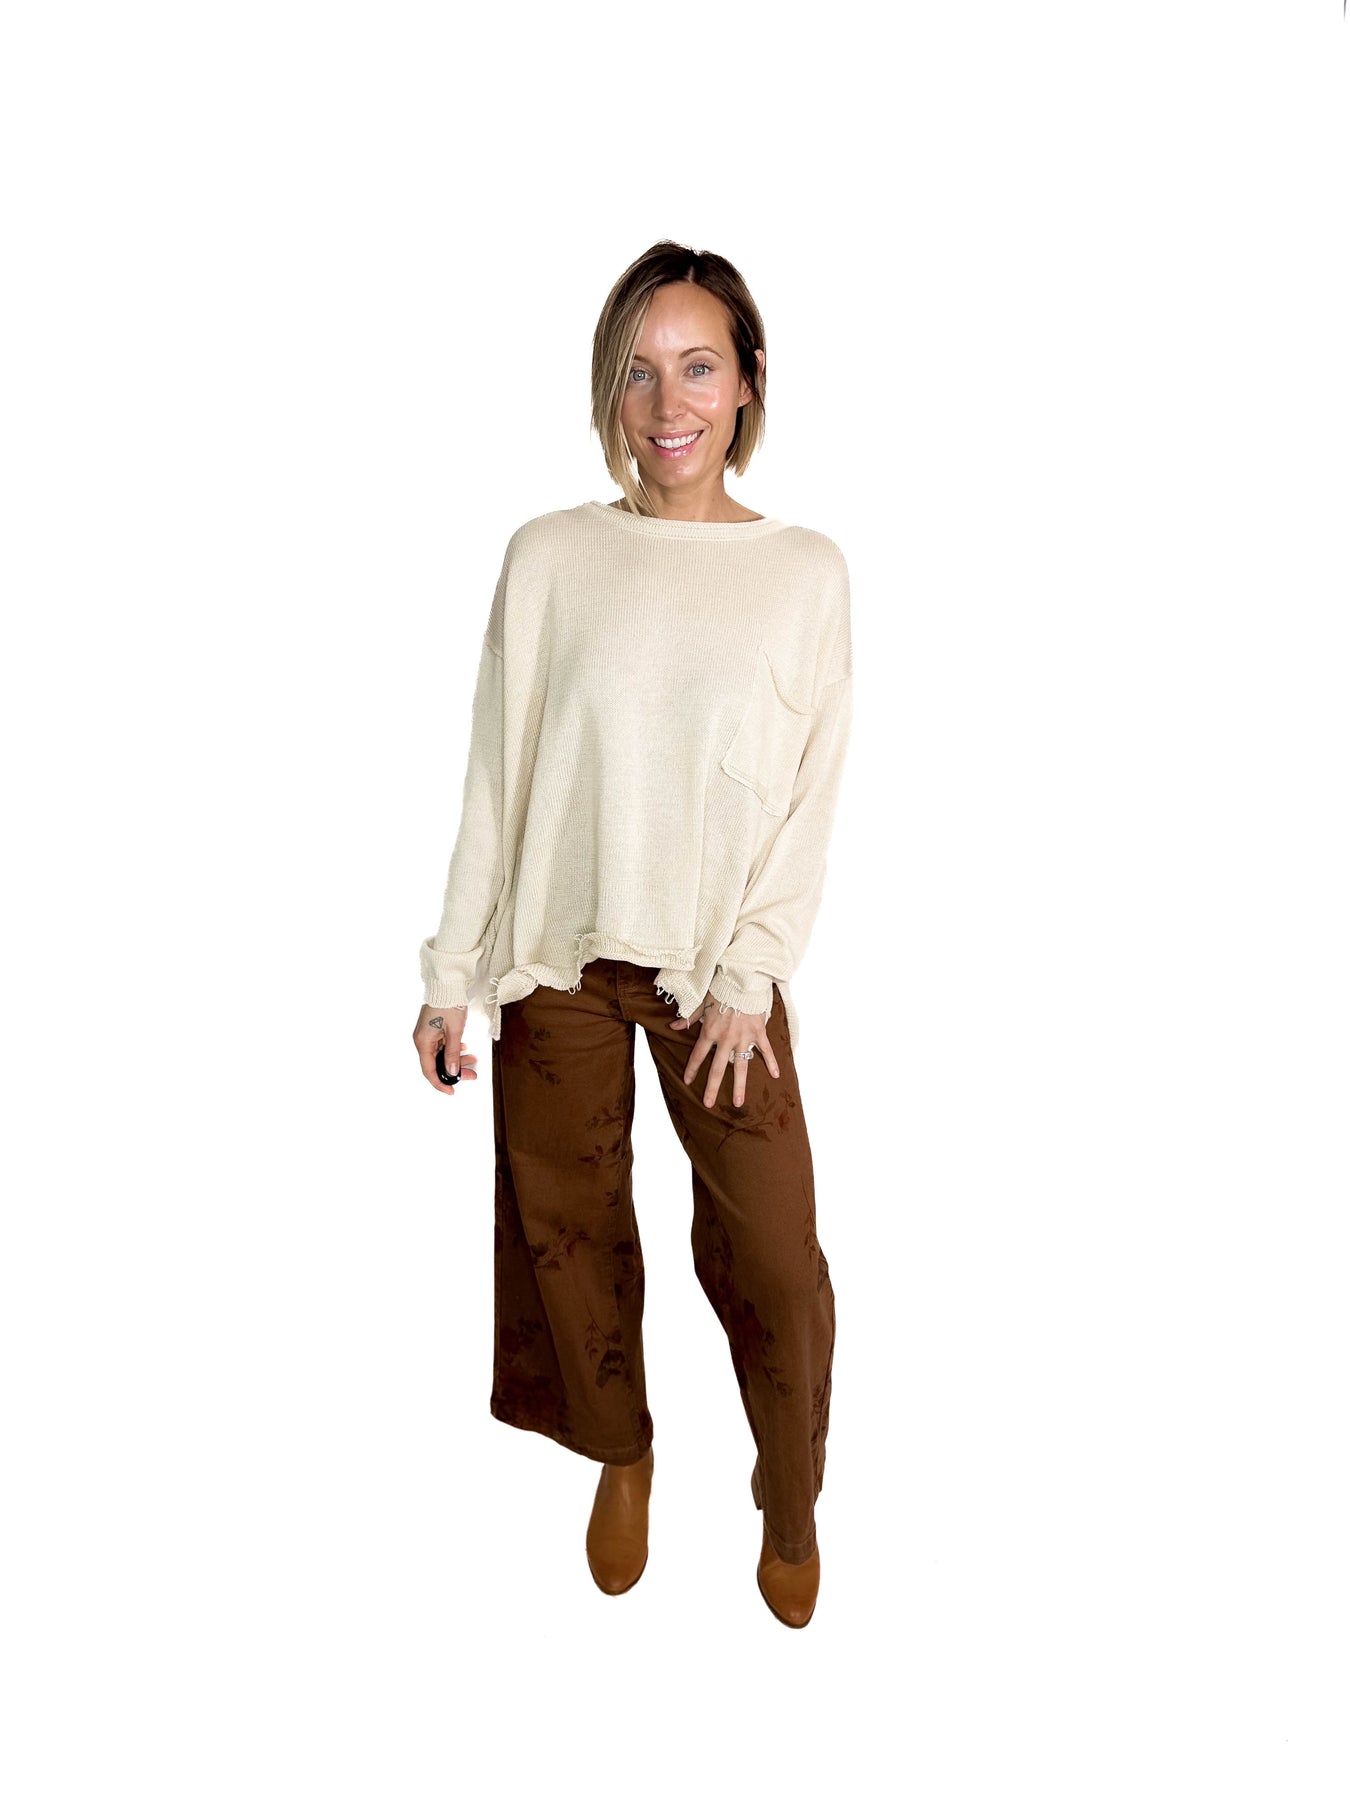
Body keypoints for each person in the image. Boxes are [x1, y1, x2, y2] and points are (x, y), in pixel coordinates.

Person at [411, 241, 853, 1628]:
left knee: (773, 1255)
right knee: (566, 1227)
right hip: (558, 960)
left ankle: (789, 1491)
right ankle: (622, 1449)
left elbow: (810, 790)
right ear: (610, 388)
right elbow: (499, 776)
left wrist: (751, 976)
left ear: (748, 380)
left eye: (698, 367)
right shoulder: (550, 556)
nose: (668, 403)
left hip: (718, 977)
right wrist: (451, 972)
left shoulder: (802, 571)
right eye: (639, 372)